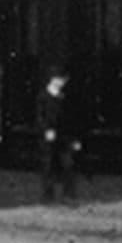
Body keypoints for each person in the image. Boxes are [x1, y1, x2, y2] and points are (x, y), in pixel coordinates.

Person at [36, 66, 81, 203]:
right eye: (60, 80)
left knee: (68, 164)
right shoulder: (43, 96)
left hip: (64, 136)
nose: (62, 83)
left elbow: (71, 118)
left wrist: (74, 137)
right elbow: (40, 117)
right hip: (49, 136)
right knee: (48, 165)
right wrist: (46, 130)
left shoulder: (65, 96)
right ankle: (47, 195)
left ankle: (68, 195)